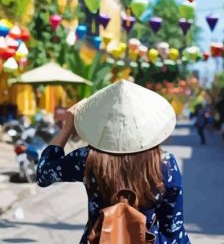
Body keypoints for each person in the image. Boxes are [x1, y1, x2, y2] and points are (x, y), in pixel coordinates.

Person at [36, 80, 190, 244]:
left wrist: (67, 128)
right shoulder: (166, 164)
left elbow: (44, 174)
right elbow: (173, 228)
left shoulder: (86, 158)